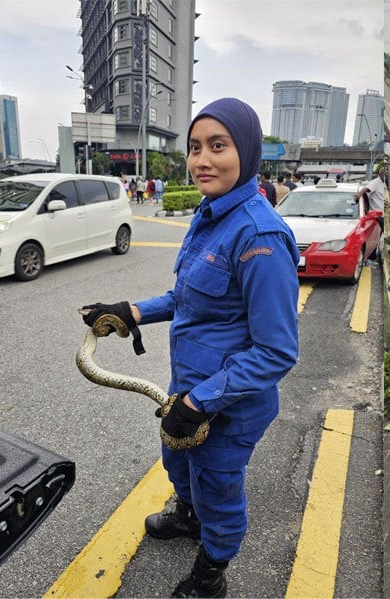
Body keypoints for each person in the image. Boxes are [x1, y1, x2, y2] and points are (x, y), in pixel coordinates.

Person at [79, 97, 299, 598]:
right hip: (189, 386)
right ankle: (189, 516)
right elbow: (187, 296)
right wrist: (129, 311)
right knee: (178, 462)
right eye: (196, 147)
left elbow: (277, 352)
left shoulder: (260, 236)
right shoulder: (211, 215)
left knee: (218, 486)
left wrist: (201, 402)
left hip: (228, 403)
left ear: (246, 151)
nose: (202, 159)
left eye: (217, 146)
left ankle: (211, 573)